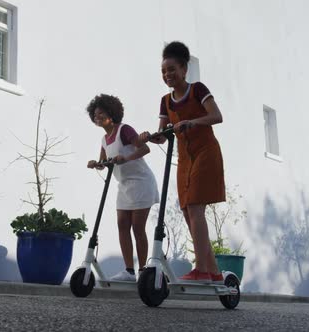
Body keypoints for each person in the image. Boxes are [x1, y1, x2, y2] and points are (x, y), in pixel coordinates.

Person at [140, 41, 226, 284]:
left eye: (172, 69)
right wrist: (151, 137)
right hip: (184, 158)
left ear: (184, 69)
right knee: (188, 212)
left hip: (206, 153)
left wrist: (193, 122)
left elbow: (216, 116)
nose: (167, 75)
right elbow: (163, 134)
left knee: (196, 208)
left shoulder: (197, 89)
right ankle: (214, 272)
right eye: (163, 71)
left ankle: (201, 270)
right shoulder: (165, 101)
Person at [86, 94, 159, 282]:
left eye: (101, 113)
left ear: (112, 113)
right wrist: (96, 163)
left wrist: (125, 158)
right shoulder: (104, 139)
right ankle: (129, 271)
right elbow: (105, 163)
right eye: (95, 115)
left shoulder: (124, 130)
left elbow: (144, 149)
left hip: (141, 182)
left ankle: (143, 271)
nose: (98, 117)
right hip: (124, 185)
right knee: (122, 225)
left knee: (137, 227)